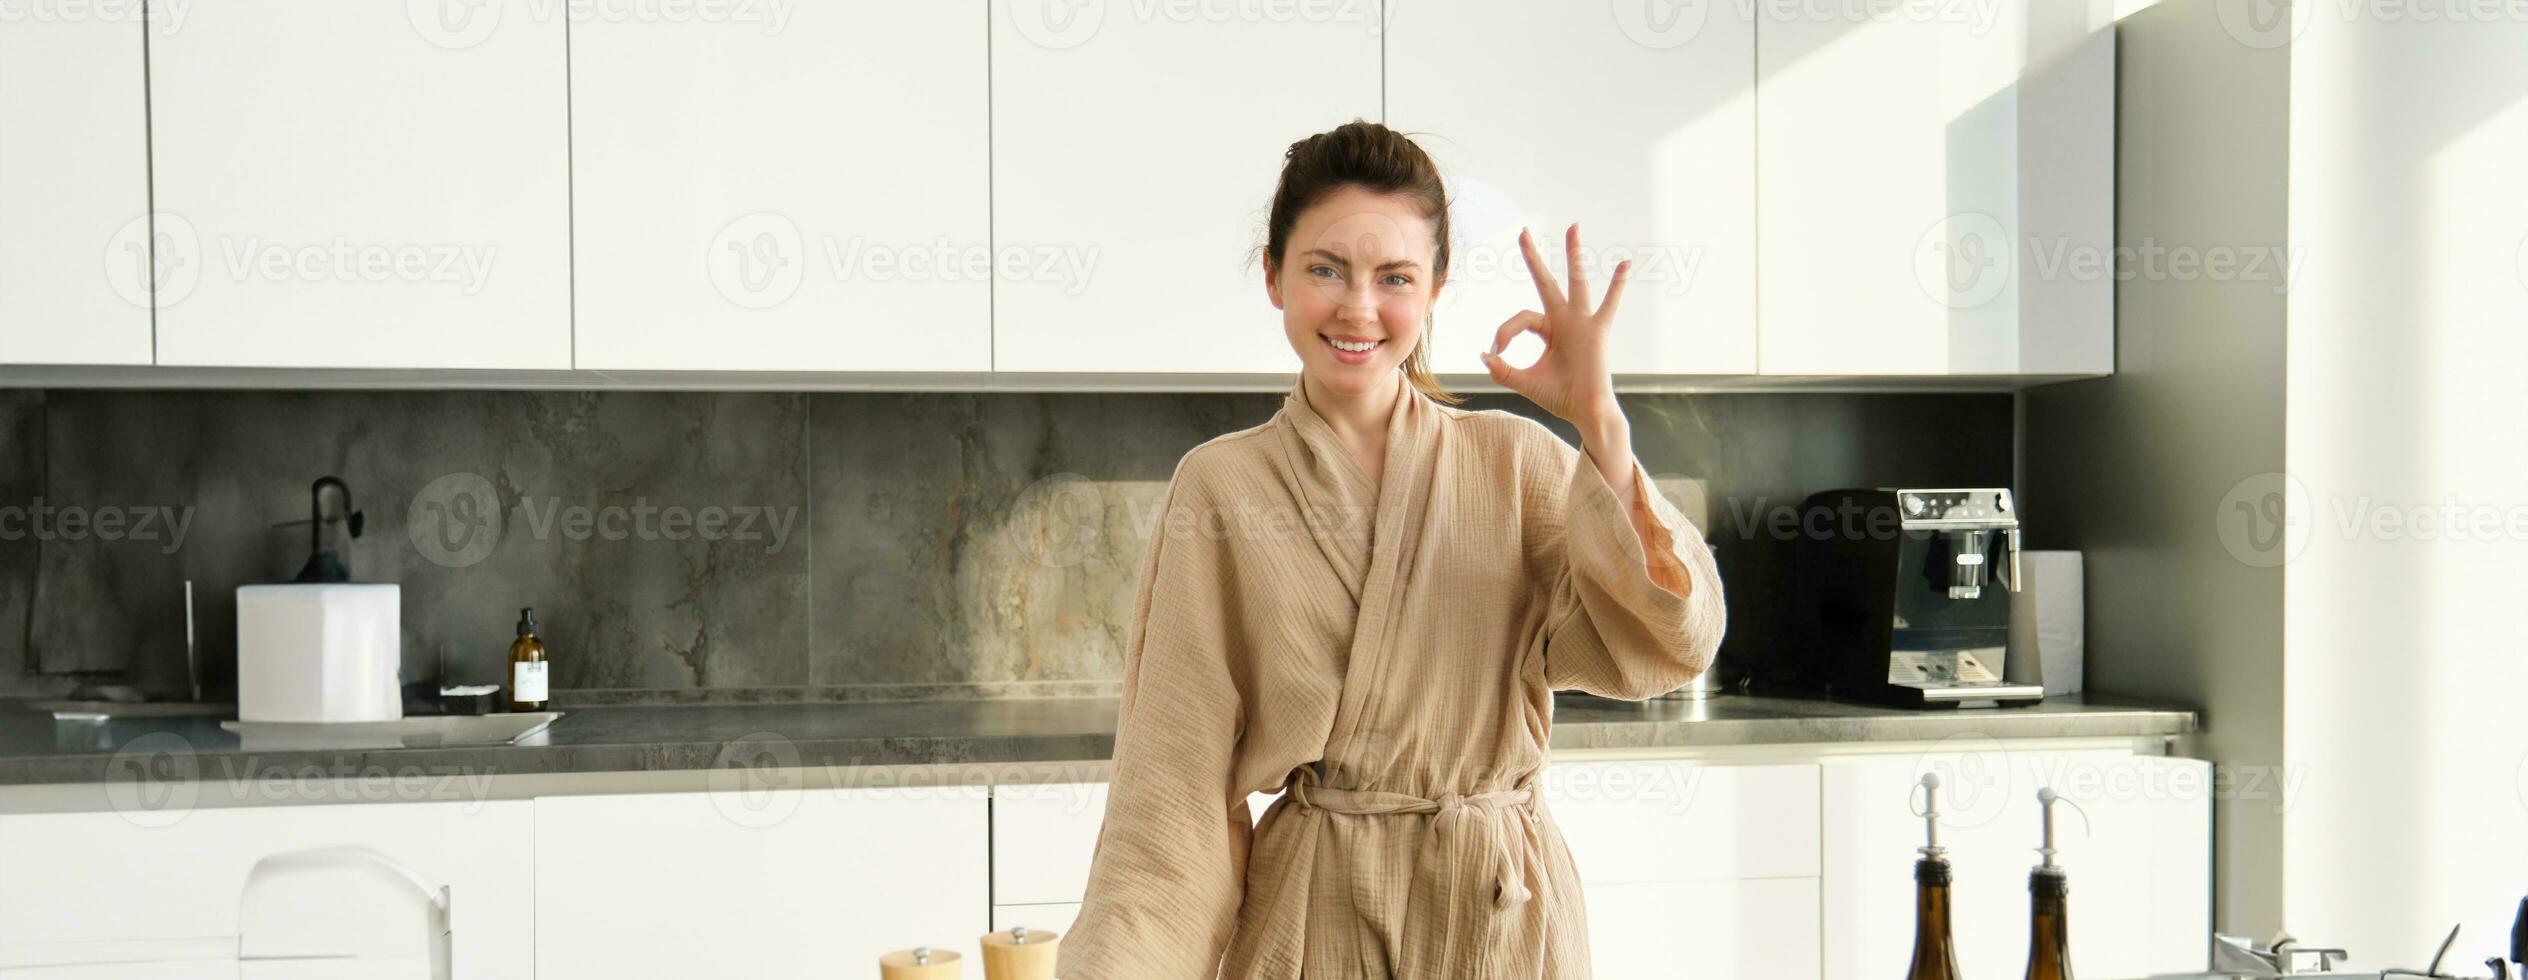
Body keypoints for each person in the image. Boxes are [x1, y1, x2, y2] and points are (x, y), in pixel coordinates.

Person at [1055, 119, 1727, 979]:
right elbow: (1174, 794)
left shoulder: (1515, 463)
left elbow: (1672, 644)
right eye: (1325, 269)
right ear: (1273, 276)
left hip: (1502, 919)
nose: (1358, 308)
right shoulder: (1220, 490)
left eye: (1395, 277)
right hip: (1315, 922)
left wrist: (1601, 421)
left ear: (1437, 287)